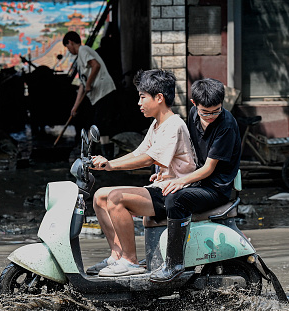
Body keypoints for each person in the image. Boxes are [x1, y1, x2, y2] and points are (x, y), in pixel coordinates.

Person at [88, 69, 197, 277]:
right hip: (161, 187)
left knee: (116, 198)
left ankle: (130, 260)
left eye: (142, 97)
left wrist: (111, 166)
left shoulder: (174, 125)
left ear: (159, 98)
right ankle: (117, 255)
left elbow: (149, 159)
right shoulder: (157, 125)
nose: (139, 103)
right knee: (100, 195)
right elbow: (139, 152)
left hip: (174, 193)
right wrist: (107, 162)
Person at [149, 78, 242, 283]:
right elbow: (186, 151)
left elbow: (209, 168)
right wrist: (167, 171)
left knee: (175, 199)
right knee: (156, 194)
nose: (210, 116)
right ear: (193, 104)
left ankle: (174, 264)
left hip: (216, 188)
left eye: (216, 111)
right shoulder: (192, 115)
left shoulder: (226, 125)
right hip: (197, 181)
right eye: (205, 112)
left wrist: (181, 182)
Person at [63, 31, 117, 158]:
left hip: (105, 92)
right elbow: (82, 85)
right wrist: (75, 107)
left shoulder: (83, 50)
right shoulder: (80, 59)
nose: (68, 50)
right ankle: (103, 154)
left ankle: (90, 154)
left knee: (97, 124)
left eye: (67, 47)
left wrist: (89, 83)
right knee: (99, 125)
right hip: (98, 96)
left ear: (70, 42)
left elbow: (95, 65)